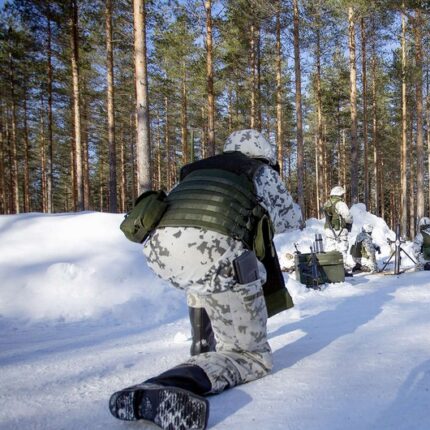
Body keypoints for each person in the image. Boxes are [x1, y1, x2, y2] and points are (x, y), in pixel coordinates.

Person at [109, 129, 302, 430]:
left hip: (159, 252)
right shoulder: (259, 170)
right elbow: (292, 218)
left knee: (204, 272)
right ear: (262, 153)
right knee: (250, 355)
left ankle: (202, 346)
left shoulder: (195, 171)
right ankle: (166, 385)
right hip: (217, 255)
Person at [322, 185, 354, 274]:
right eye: (342, 194)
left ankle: (330, 270)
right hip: (339, 230)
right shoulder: (340, 204)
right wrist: (349, 222)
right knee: (342, 249)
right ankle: (341, 270)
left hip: (329, 230)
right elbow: (347, 217)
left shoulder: (327, 203)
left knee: (330, 249)